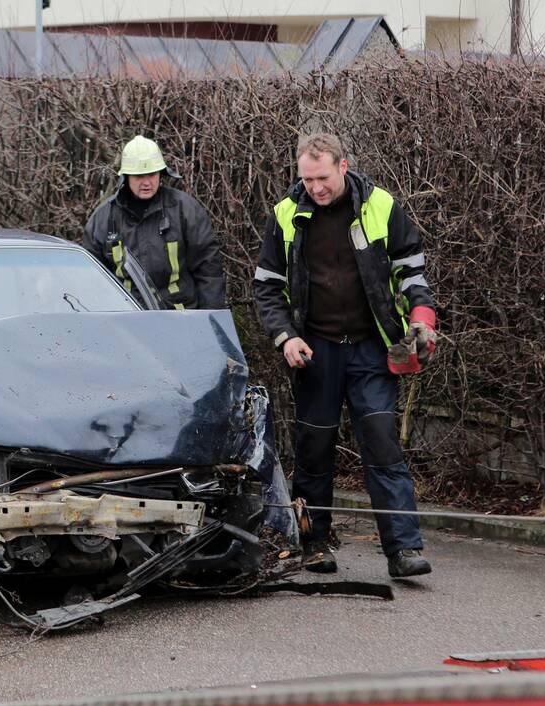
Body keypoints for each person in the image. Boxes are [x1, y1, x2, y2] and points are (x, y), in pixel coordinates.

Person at [252, 133, 437, 578]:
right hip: (316, 352)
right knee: (313, 450)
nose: (315, 187)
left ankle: (403, 550)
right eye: (307, 179)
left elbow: (411, 270)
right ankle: (314, 544)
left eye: (322, 177)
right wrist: (285, 338)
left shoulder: (381, 206)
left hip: (372, 349)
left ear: (344, 166)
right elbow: (266, 286)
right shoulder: (285, 214)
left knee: (382, 443)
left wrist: (422, 318)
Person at [83, 136, 225, 309]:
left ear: (161, 173)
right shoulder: (104, 218)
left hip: (181, 319)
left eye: (151, 174)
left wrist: (209, 321)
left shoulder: (185, 211)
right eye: (138, 176)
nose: (146, 182)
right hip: (125, 321)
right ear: (126, 177)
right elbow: (91, 281)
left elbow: (208, 269)